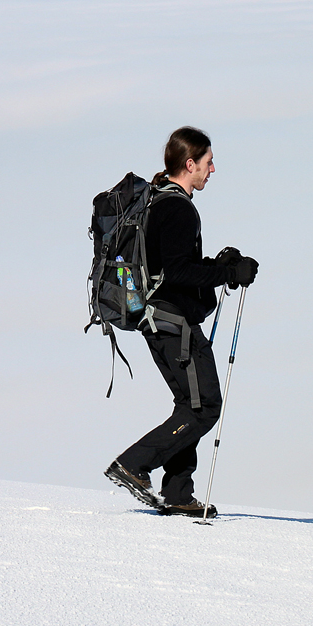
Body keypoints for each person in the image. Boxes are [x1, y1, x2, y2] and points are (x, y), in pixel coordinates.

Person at [104, 126, 258, 518]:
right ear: (190, 164)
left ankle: (177, 493)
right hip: (171, 323)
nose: (212, 169)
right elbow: (176, 272)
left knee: (190, 405)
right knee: (204, 407)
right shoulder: (177, 208)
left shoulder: (159, 202)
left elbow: (171, 266)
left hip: (158, 320)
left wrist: (219, 265)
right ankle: (134, 464)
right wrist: (228, 274)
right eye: (208, 162)